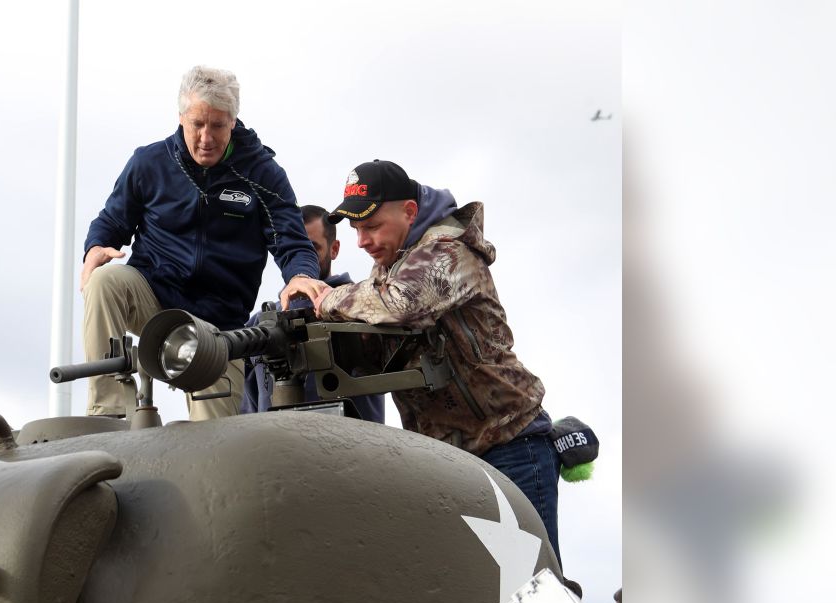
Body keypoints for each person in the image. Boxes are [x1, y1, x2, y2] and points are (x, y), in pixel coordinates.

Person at [314, 159, 563, 560]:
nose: (361, 240)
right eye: (356, 229)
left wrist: (326, 298)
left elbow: (401, 304)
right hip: (452, 464)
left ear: (409, 212)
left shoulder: (449, 252)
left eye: (372, 225)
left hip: (509, 445)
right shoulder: (389, 269)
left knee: (536, 590)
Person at [80, 65, 328, 420]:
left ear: (233, 121)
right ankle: (108, 412)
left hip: (219, 328)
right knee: (104, 280)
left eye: (217, 125)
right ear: (181, 118)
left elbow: (291, 240)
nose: (206, 137)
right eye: (198, 124)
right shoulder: (149, 163)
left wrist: (301, 274)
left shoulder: (262, 174)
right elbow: (112, 221)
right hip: (153, 297)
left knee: (218, 444)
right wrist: (95, 247)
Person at [241, 204, 385, 423]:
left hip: (354, 449)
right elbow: (249, 406)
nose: (304, 258)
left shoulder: (365, 307)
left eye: (313, 248)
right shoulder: (259, 324)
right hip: (277, 450)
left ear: (334, 249)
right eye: (297, 250)